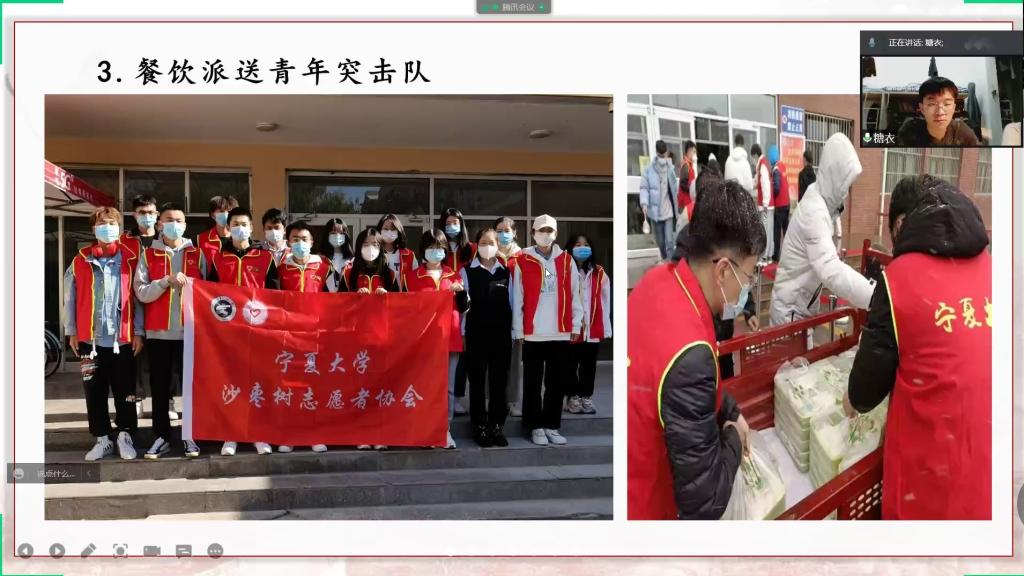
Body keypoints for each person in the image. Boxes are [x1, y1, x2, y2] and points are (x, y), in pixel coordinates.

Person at [845, 175, 991, 520]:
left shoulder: (899, 278)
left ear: (900, 224)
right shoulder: (991, 266)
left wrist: (848, 403)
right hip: (990, 476)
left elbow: (862, 395)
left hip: (928, 488)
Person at [627, 175, 765, 520]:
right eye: (749, 278)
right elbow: (705, 501)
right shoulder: (691, 352)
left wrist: (730, 411)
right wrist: (733, 439)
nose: (746, 289)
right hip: (648, 505)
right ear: (723, 272)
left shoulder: (659, 278)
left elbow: (685, 390)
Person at [769, 133, 875, 328]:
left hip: (797, 306)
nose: (846, 192)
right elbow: (831, 270)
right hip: (791, 312)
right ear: (835, 176)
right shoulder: (814, 212)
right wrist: (874, 296)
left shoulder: (818, 200)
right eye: (845, 184)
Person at [64, 206, 144, 461]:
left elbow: (138, 298)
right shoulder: (80, 259)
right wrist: (71, 330)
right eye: (101, 223)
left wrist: (139, 331)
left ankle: (125, 434)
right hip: (90, 341)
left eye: (111, 223)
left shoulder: (131, 259)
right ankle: (102, 438)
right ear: (93, 229)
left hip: (123, 339)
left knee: (126, 391)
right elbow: (70, 297)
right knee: (94, 391)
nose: (107, 227)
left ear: (119, 228)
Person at [133, 202, 205, 459]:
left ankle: (190, 434)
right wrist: (165, 281)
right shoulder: (148, 255)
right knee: (160, 387)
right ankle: (161, 436)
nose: (174, 224)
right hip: (158, 333)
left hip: (191, 333)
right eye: (169, 220)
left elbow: (208, 292)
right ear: (159, 224)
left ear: (185, 224)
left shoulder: (197, 254)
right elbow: (141, 293)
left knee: (192, 388)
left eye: (179, 220)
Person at [206, 207, 278, 456]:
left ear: (251, 227)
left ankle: (259, 434)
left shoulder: (265, 258)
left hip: (258, 330)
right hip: (227, 332)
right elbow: (209, 295)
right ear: (228, 227)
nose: (240, 228)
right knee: (231, 382)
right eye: (235, 224)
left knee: (258, 384)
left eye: (244, 224)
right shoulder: (218, 258)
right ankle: (231, 435)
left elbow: (276, 296)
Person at [512, 214, 583, 446]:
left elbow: (575, 294)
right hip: (533, 332)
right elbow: (518, 296)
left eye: (549, 230)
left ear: (556, 234)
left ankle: (552, 425)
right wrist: (518, 329)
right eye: (541, 230)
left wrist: (576, 323)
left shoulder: (566, 260)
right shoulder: (523, 259)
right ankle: (535, 426)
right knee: (532, 382)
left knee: (557, 382)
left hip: (560, 330)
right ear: (533, 233)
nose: (545, 234)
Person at [403, 229, 468, 449]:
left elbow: (465, 307)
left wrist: (461, 293)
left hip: (449, 338)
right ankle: (425, 430)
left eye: (440, 248)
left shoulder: (454, 275)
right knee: (425, 387)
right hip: (423, 342)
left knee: (447, 389)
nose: (435, 252)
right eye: (431, 247)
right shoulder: (411, 277)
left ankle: (444, 431)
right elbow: (406, 311)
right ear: (423, 250)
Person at [276, 220, 333, 454]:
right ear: (288, 242)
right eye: (295, 239)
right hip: (288, 336)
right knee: (289, 386)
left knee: (314, 385)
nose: (300, 243)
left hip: (315, 336)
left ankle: (314, 435)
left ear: (312, 242)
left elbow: (335, 298)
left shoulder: (324, 267)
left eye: (304, 239)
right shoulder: (281, 267)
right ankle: (289, 436)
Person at [461, 228, 512, 447]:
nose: (487, 246)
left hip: (501, 335)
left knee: (499, 383)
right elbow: (464, 307)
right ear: (476, 245)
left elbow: (513, 302)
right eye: (483, 242)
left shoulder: (506, 272)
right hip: (476, 334)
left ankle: (497, 426)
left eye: (491, 242)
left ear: (498, 245)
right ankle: (480, 427)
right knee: (477, 382)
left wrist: (515, 331)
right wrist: (463, 333)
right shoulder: (467, 271)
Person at [121, 194, 159, 421]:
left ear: (157, 215)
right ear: (134, 215)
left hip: (160, 302)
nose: (147, 216)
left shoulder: (165, 238)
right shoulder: (123, 241)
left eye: (150, 212)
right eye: (142, 213)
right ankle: (136, 397)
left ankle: (167, 399)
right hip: (131, 303)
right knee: (133, 353)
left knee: (160, 355)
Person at [564, 233, 611, 415]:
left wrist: (606, 327)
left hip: (591, 328)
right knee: (570, 364)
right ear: (570, 247)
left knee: (589, 366)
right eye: (577, 244)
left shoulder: (599, 272)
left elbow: (605, 301)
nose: (582, 247)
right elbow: (547, 279)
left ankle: (586, 396)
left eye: (585, 244)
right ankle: (572, 396)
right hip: (571, 327)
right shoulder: (562, 269)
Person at [438, 208, 477, 415]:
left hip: (467, 304)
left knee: (464, 355)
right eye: (447, 223)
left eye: (455, 222)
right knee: (450, 354)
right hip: (445, 307)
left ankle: (459, 396)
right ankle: (444, 399)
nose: (451, 226)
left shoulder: (472, 249)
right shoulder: (439, 248)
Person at [896, 76, 980, 146]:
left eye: (947, 104)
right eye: (932, 104)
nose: (940, 112)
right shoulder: (909, 131)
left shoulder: (963, 133)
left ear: (954, 108)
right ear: (922, 108)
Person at [495, 216, 524, 418]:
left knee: (514, 362)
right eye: (499, 230)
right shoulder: (488, 254)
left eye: (507, 230)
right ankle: (494, 399)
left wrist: (551, 275)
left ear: (514, 233)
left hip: (517, 316)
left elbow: (548, 274)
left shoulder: (524, 256)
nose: (503, 234)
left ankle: (512, 401)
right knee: (494, 362)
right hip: (494, 315)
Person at [639, 140, 679, 262]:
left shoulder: (670, 169)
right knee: (661, 242)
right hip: (655, 212)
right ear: (656, 153)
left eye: (663, 154)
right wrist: (644, 203)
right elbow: (644, 188)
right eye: (660, 155)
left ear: (666, 153)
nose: (662, 157)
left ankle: (670, 264)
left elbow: (675, 188)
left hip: (668, 211)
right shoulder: (648, 170)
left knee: (669, 241)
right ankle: (665, 258)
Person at [338, 227, 400, 294]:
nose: (370, 248)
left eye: (374, 244)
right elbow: (340, 299)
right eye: (366, 244)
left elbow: (398, 299)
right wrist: (356, 296)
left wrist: (386, 295)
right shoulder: (348, 274)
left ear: (380, 248)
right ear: (359, 248)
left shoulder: (391, 275)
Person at [198, 195, 238, 267]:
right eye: (222, 211)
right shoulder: (200, 240)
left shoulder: (241, 239)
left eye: (229, 211)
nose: (226, 214)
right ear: (213, 215)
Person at [752, 143, 774, 262]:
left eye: (752, 157)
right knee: (768, 229)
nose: (753, 160)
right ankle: (769, 255)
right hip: (768, 205)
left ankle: (764, 256)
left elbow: (765, 184)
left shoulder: (762, 165)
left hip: (765, 207)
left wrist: (765, 203)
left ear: (755, 155)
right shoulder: (765, 163)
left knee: (765, 230)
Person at [377, 214, 418, 279]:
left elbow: (415, 279)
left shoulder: (409, 255)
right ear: (379, 231)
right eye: (385, 229)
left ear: (398, 231)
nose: (389, 232)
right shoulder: (373, 254)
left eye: (393, 229)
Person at [319, 218, 354, 293]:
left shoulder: (352, 260)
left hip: (346, 299)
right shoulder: (319, 259)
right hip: (324, 298)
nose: (337, 235)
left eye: (341, 233)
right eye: (333, 233)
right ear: (327, 235)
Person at [769, 145, 791, 262]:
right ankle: (788, 254)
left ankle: (776, 255)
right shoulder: (782, 165)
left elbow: (777, 187)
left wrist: (772, 193)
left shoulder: (776, 170)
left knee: (777, 232)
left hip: (780, 205)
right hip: (787, 204)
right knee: (786, 231)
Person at [678, 141, 698, 225]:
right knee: (685, 227)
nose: (695, 154)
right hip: (685, 203)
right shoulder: (686, 165)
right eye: (694, 152)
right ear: (689, 151)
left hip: (687, 202)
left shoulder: (689, 165)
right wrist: (693, 190)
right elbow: (683, 184)